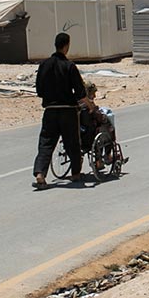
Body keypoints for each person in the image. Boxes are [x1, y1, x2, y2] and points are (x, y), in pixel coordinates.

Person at [32, 32, 92, 190]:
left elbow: (39, 90)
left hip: (50, 110)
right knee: (72, 142)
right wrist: (90, 106)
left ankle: (40, 174)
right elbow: (80, 92)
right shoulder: (69, 66)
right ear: (67, 46)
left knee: (46, 143)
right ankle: (76, 173)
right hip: (68, 110)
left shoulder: (44, 65)